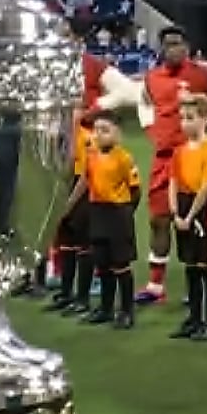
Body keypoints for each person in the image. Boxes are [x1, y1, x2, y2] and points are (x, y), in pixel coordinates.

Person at [97, 25, 207, 305]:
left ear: (187, 47)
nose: (173, 48)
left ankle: (203, 283)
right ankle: (155, 285)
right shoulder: (152, 78)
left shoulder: (202, 74)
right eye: (168, 44)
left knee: (202, 223)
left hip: (197, 156)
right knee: (159, 220)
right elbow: (144, 104)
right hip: (165, 159)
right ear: (161, 48)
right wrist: (151, 127)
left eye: (178, 43)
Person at [73, 109, 141, 329]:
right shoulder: (91, 156)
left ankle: (127, 311)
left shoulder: (124, 158)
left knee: (120, 265)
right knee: (102, 264)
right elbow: (85, 180)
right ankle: (105, 308)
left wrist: (126, 213)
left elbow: (135, 190)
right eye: (97, 130)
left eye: (105, 130)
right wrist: (70, 204)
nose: (99, 135)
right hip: (97, 211)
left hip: (118, 213)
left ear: (117, 133)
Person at [168, 95, 207, 340]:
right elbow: (173, 181)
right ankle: (194, 317)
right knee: (190, 265)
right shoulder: (179, 151)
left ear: (206, 119)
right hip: (184, 207)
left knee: (205, 266)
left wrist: (189, 216)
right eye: (182, 119)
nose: (185, 123)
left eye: (191, 118)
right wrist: (175, 211)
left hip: (202, 208)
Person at [46, 110, 95, 316]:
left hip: (81, 194)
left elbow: (86, 176)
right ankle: (66, 293)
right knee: (66, 244)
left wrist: (68, 204)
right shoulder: (57, 136)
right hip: (63, 187)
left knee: (83, 245)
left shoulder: (87, 138)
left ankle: (82, 298)